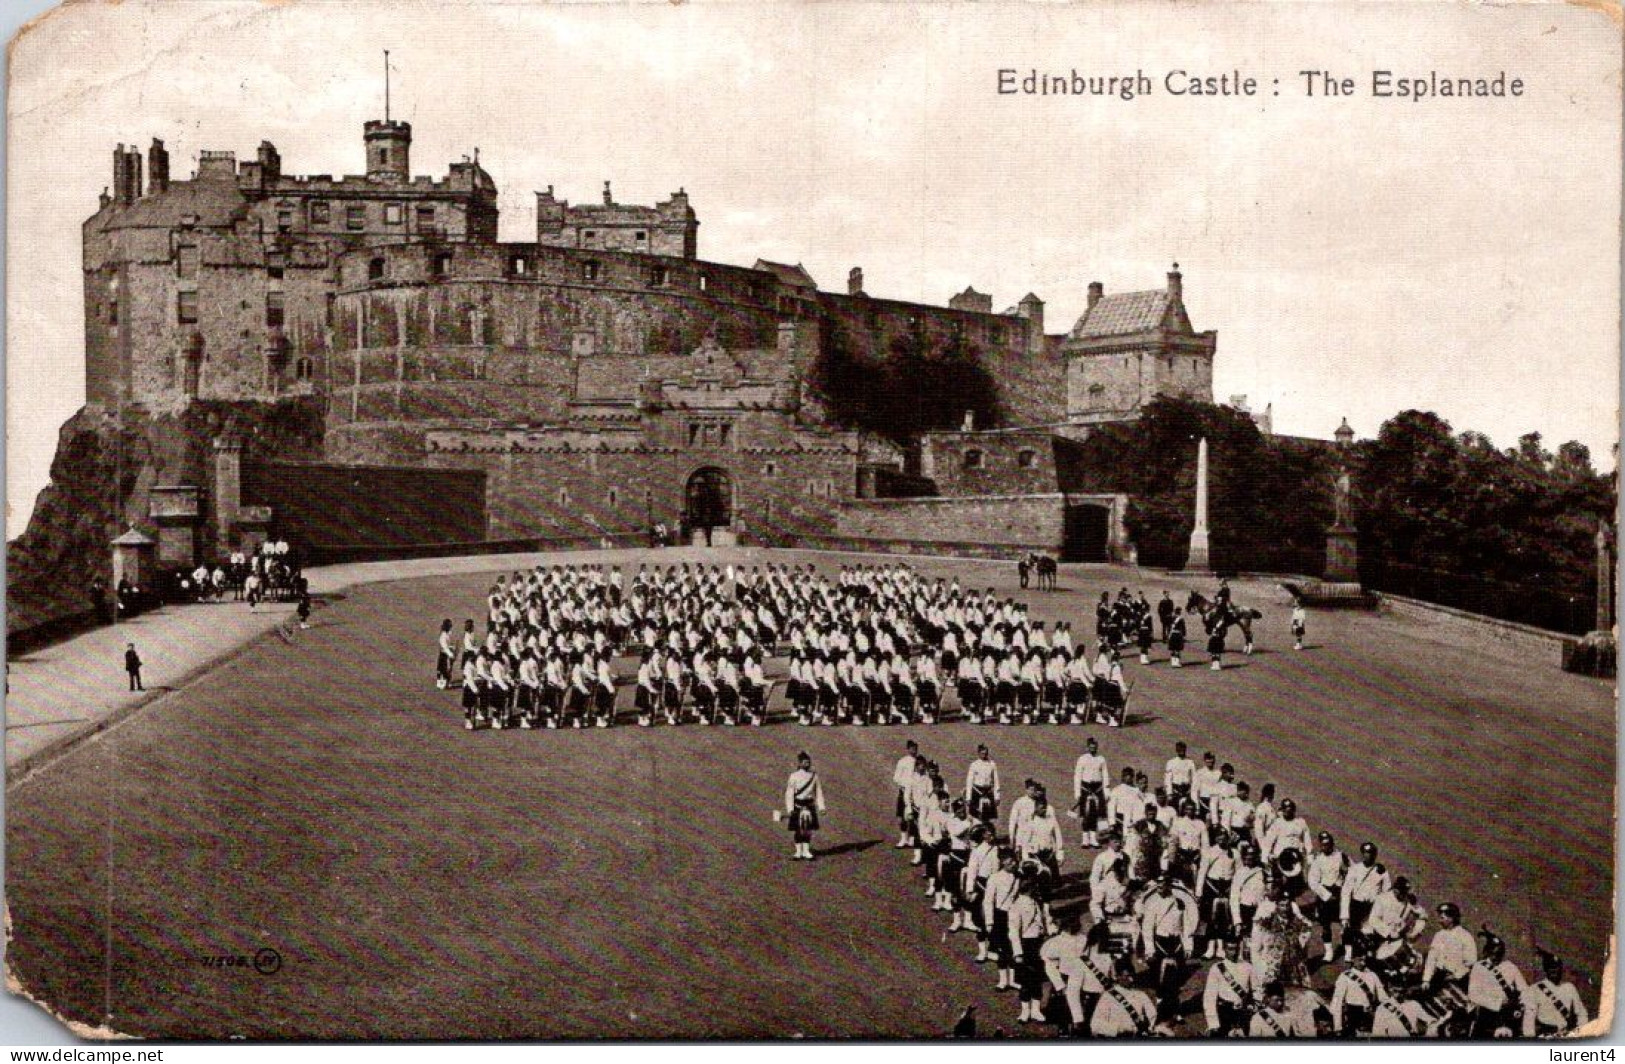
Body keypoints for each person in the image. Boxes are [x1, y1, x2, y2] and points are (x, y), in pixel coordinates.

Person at [1467, 928, 1527, 1038]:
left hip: (1508, 1016)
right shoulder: (1479, 967)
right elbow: (1474, 995)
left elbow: (1524, 989)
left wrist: (1522, 1004)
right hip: (1486, 1016)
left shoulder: (1510, 967)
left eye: (1499, 953)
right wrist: (1498, 1003)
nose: (1495, 956)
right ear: (1487, 952)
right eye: (1493, 953)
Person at [1008, 874, 1050, 1024]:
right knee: (1026, 981)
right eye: (1034, 887)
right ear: (1028, 889)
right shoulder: (1017, 906)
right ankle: (1025, 1012)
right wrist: (1018, 952)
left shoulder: (1036, 902)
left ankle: (1036, 1010)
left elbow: (1044, 920)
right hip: (1026, 945)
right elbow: (1014, 931)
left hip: (1038, 944)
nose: (1037, 889)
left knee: (1037, 979)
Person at [1340, 842, 1390, 961]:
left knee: (1369, 930)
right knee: (1349, 929)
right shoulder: (1355, 869)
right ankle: (1348, 952)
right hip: (1356, 904)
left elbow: (1386, 890)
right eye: (1366, 853)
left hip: (1372, 906)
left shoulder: (1381, 871)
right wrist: (1344, 915)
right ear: (1362, 854)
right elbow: (1346, 891)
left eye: (1371, 853)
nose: (1368, 856)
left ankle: (1367, 952)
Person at [1523, 951, 1588, 1037]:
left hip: (1566, 1035)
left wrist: (1581, 1033)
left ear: (1561, 969)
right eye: (1550, 967)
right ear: (1545, 969)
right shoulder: (1535, 989)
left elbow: (1582, 1013)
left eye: (1557, 967)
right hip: (1546, 1036)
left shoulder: (1569, 987)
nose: (1554, 970)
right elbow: (1529, 1018)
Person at [1306, 831, 1348, 961]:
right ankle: (1329, 952)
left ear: (1332, 844)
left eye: (1328, 844)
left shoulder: (1341, 856)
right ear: (1320, 845)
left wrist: (1344, 887)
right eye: (1323, 845)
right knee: (1325, 925)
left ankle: (1348, 950)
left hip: (1340, 893)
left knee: (1345, 922)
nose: (1326, 847)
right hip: (1325, 895)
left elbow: (1351, 871)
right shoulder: (1317, 860)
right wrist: (1326, 895)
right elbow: (1312, 881)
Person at [1203, 937, 1255, 1036]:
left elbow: (1257, 990)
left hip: (1243, 1013)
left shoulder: (1248, 967)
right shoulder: (1217, 968)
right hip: (1225, 1013)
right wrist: (1213, 1023)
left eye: (1236, 949)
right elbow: (1209, 997)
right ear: (1224, 950)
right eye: (1230, 949)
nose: (1234, 952)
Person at [1329, 946, 1386, 1036]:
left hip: (1370, 1017)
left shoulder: (1372, 975)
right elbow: (1337, 1001)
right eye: (1360, 960)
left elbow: (1383, 996)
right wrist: (1338, 1026)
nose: (1363, 963)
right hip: (1353, 1016)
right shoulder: (1345, 976)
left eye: (1364, 960)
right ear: (1352, 960)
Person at [1421, 902, 1477, 994]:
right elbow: (1431, 959)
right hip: (1439, 977)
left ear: (1451, 918)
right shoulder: (1439, 935)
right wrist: (1426, 980)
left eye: (1442, 918)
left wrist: (1456, 975)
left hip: (1457, 981)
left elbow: (1471, 962)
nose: (1439, 921)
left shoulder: (1465, 936)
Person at [1089, 967, 1158, 1037]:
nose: (1131, 979)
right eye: (1127, 976)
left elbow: (1153, 1015)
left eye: (1132, 976)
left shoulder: (1140, 994)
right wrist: (1118, 1030)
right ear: (1118, 977)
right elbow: (1095, 1024)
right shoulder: (1108, 996)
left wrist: (1148, 1028)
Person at [783, 752, 826, 860]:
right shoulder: (794, 776)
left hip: (809, 805)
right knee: (798, 829)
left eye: (808, 762)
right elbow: (789, 793)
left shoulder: (814, 776)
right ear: (800, 763)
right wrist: (790, 809)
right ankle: (798, 852)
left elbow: (818, 792)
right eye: (805, 762)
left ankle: (806, 851)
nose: (807, 764)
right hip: (798, 805)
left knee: (808, 829)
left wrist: (821, 807)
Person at [1073, 736, 1109, 848]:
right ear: (1087, 747)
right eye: (1091, 747)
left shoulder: (1101, 759)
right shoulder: (1082, 759)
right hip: (1085, 788)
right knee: (1085, 814)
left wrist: (1106, 791)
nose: (1093, 749)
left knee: (1095, 814)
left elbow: (1105, 775)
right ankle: (1085, 839)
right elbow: (1077, 776)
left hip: (1097, 789)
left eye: (1095, 747)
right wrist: (1077, 793)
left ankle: (1093, 838)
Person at [965, 744, 1000, 827]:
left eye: (986, 753)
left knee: (987, 816)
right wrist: (968, 797)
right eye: (982, 753)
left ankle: (987, 832)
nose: (984, 755)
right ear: (978, 753)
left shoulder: (992, 764)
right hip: (977, 791)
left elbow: (996, 780)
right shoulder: (974, 765)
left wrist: (997, 796)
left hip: (987, 791)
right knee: (976, 815)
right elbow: (969, 782)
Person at [893, 741, 920, 848]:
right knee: (900, 817)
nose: (914, 751)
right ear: (908, 749)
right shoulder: (902, 762)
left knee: (913, 816)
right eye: (912, 748)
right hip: (904, 791)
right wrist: (904, 786)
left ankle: (912, 838)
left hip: (915, 793)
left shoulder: (919, 761)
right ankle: (903, 838)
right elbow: (896, 777)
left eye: (916, 748)